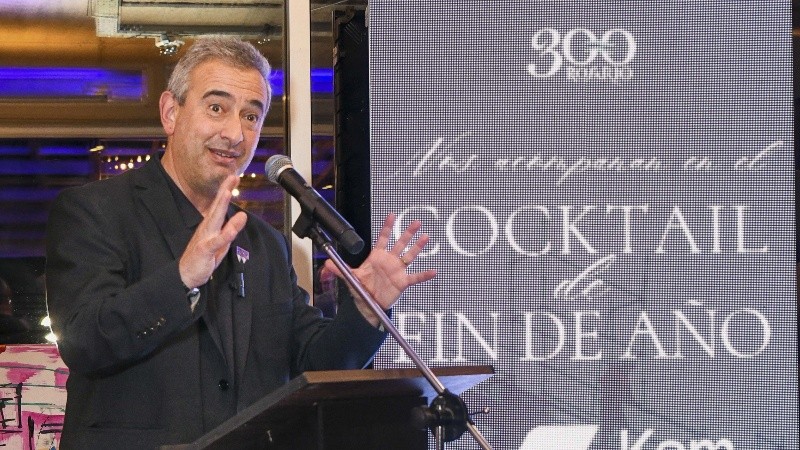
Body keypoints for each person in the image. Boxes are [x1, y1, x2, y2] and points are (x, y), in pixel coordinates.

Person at [45, 36, 436, 449]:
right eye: (217, 108)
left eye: (251, 116)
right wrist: (182, 279)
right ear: (171, 112)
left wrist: (366, 311)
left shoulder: (265, 244)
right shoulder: (96, 211)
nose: (235, 133)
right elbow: (84, 341)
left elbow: (313, 364)